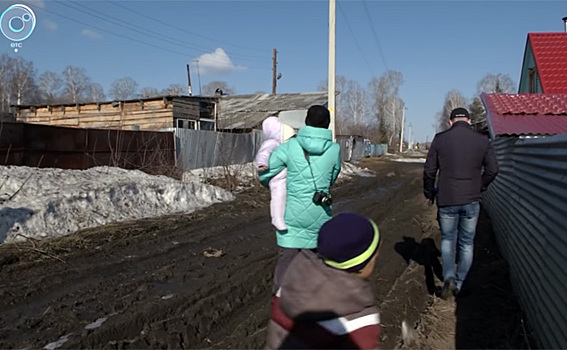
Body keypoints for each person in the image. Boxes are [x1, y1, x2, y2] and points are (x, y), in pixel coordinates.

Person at [265, 212, 382, 350]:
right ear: (362, 265)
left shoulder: (294, 277)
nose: (378, 254)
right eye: (375, 253)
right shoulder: (359, 318)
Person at [259, 105, 341, 291]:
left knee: (286, 260)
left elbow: (266, 174)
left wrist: (276, 185)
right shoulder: (334, 150)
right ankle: (309, 303)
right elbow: (332, 177)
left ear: (306, 122)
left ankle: (280, 304)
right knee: (315, 263)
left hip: (291, 214)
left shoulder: (289, 146)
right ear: (327, 124)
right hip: (319, 214)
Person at [423, 107, 499, 298]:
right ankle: (460, 282)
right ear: (469, 120)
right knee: (466, 242)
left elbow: (429, 171)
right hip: (471, 199)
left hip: (447, 199)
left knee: (448, 239)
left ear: (450, 122)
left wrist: (429, 192)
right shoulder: (482, 140)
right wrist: (480, 186)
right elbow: (493, 169)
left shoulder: (440, 139)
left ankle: (448, 277)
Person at [254, 116, 295, 231]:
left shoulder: (280, 143)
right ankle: (277, 218)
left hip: (283, 174)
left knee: (284, 196)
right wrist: (262, 163)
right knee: (278, 195)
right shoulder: (271, 142)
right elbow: (263, 153)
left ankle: (283, 217)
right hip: (276, 177)